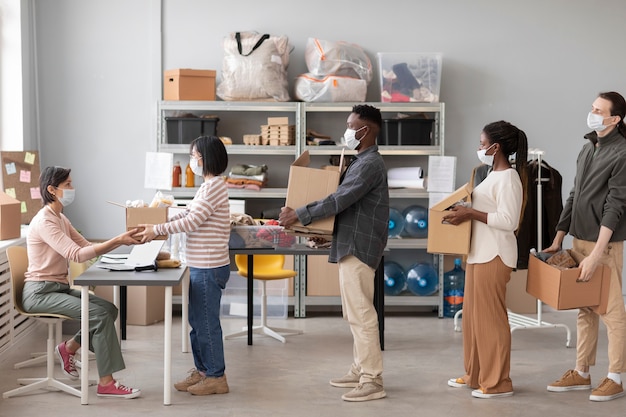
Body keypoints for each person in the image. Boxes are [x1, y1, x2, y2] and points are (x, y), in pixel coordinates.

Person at [279, 104, 389, 402]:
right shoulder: (360, 162)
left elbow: (340, 199)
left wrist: (299, 215)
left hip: (359, 248)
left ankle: (372, 380)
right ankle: (359, 368)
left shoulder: (368, 165)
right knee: (353, 312)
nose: (347, 130)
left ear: (365, 130)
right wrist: (326, 235)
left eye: (351, 125)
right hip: (351, 243)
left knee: (362, 314)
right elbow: (351, 210)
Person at [23, 166, 142, 399]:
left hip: (58, 288)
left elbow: (87, 247)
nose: (72, 189)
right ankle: (106, 383)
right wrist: (118, 240)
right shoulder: (45, 221)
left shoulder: (60, 218)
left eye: (71, 183)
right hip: (39, 292)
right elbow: (76, 255)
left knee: (108, 309)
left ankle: (68, 349)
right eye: (67, 185)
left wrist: (120, 247)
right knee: (97, 315)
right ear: (51, 189)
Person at [544, 91, 626, 402]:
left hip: (603, 245)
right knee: (585, 310)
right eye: (592, 107)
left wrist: (595, 255)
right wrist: (558, 236)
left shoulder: (622, 153)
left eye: (597, 109)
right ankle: (582, 372)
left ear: (614, 119)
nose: (591, 112)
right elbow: (575, 195)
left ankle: (615, 377)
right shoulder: (588, 146)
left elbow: (615, 206)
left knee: (613, 313)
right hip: (579, 239)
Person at [136, 135, 231, 396]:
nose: (192, 161)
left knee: (206, 324)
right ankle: (203, 372)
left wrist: (157, 229)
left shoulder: (215, 188)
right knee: (197, 321)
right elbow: (187, 213)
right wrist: (158, 221)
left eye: (193, 156)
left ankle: (216, 377)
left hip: (209, 266)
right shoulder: (207, 186)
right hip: (201, 265)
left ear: (204, 158)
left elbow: (192, 222)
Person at [443, 120, 528, 399]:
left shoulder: (509, 178)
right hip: (479, 253)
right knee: (473, 319)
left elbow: (508, 220)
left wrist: (470, 214)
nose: (479, 148)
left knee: (491, 320)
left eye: (482, 144)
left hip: (495, 254)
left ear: (496, 147)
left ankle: (498, 382)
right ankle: (475, 375)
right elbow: (485, 209)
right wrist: (464, 209)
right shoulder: (491, 175)